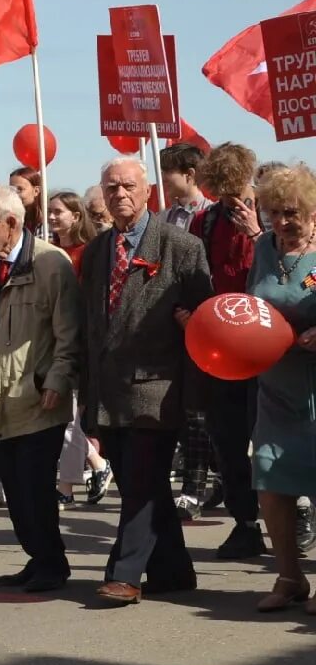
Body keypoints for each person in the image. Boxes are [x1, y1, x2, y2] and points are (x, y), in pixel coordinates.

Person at [80, 157, 211, 606]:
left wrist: (190, 322)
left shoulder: (180, 246)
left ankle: (125, 573)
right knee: (149, 483)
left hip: (158, 387)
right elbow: (90, 325)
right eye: (111, 186)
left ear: (148, 191)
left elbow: (206, 317)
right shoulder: (98, 250)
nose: (119, 194)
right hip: (107, 391)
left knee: (139, 482)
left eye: (127, 186)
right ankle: (174, 570)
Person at [0, 185, 81, 592]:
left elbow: (69, 332)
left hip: (35, 396)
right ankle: (38, 557)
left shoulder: (50, 264)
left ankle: (52, 564)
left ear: (11, 222)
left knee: (35, 490)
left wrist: (59, 380)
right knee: (13, 487)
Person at [189, 143, 267, 560]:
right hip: (222, 348)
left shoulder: (278, 214)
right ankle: (246, 522)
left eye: (235, 192)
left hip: (274, 347)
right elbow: (194, 274)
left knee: (277, 440)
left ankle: (300, 512)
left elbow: (311, 276)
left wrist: (259, 234)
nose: (231, 203)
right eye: (221, 194)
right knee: (227, 438)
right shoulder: (203, 223)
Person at [244, 163, 316, 613]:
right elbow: (256, 299)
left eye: (291, 212)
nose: (282, 222)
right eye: (273, 212)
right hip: (276, 383)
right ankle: (290, 577)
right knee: (271, 481)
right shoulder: (263, 249)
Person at [45, 190, 113, 505]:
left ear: (76, 215)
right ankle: (96, 465)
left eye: (59, 211)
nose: (53, 217)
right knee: (61, 417)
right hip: (50, 338)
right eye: (50, 212)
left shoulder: (88, 252)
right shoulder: (47, 251)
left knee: (69, 415)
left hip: (80, 340)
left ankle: (66, 486)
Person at [160, 143, 209, 230]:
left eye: (168, 171)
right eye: (162, 172)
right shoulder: (162, 218)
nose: (163, 178)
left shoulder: (211, 215)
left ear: (189, 174)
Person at [9, 166, 44, 237]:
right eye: (11, 189)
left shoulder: (46, 224)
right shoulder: (10, 220)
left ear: (36, 191)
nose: (15, 194)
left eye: (20, 189)